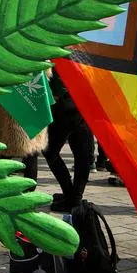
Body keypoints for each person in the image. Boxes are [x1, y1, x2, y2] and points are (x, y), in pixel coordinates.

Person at [43, 70, 94, 211]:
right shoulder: (85, 49)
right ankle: (74, 195)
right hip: (83, 102)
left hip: (66, 104)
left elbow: (60, 80)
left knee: (49, 151)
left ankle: (72, 196)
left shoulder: (66, 51)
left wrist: (57, 93)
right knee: (81, 152)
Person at [0, 96, 48, 184]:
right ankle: (30, 191)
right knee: (31, 154)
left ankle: (3, 189)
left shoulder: (5, 81)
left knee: (3, 158)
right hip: (32, 120)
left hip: (6, 121)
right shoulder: (38, 81)